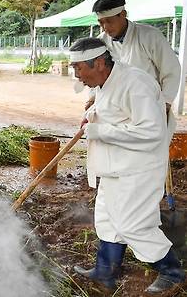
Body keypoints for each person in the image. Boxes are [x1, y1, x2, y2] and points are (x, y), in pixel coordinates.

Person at [70, 37, 185, 293]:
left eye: (79, 68)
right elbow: (113, 111)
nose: (76, 75)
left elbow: (151, 131)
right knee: (108, 218)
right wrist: (92, 116)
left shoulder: (136, 83)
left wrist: (99, 131)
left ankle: (172, 272)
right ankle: (105, 271)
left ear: (99, 62)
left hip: (138, 168)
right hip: (113, 165)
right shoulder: (105, 80)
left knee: (133, 223)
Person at [83, 0, 180, 112]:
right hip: (114, 106)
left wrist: (166, 102)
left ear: (123, 14)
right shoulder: (101, 41)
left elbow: (171, 70)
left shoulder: (150, 36)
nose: (105, 27)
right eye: (101, 23)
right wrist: (93, 98)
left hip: (149, 104)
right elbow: (98, 74)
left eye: (109, 21)